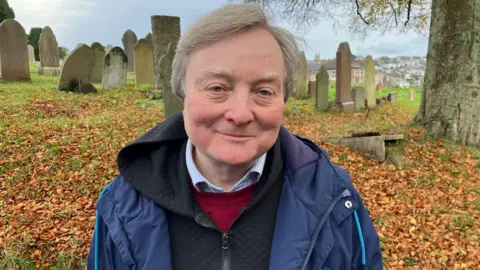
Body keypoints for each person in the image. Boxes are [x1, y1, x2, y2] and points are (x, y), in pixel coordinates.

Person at [86, 4, 382, 270]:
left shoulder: (334, 199)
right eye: (217, 88)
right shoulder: (123, 206)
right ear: (182, 93)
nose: (240, 114)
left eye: (264, 91)